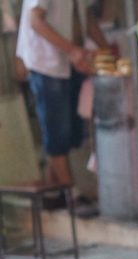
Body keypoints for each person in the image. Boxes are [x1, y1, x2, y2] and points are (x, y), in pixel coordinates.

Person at [16, 0, 108, 213]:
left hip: (69, 62)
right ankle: (70, 195)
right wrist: (73, 50)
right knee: (57, 130)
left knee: (70, 131)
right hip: (46, 63)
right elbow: (36, 21)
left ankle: (52, 193)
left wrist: (106, 48)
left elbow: (86, 17)